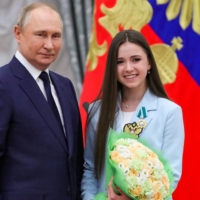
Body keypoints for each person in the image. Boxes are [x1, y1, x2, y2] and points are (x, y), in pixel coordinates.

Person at [81, 30, 184, 200]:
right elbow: (90, 168)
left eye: (136, 60)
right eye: (120, 62)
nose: (128, 68)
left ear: (149, 63)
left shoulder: (169, 112)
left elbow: (171, 176)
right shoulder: (97, 110)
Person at [0, 2, 83, 200]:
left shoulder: (65, 86)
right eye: (41, 34)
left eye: (56, 36)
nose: (49, 44)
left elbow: (74, 157)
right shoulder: (3, 83)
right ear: (18, 33)